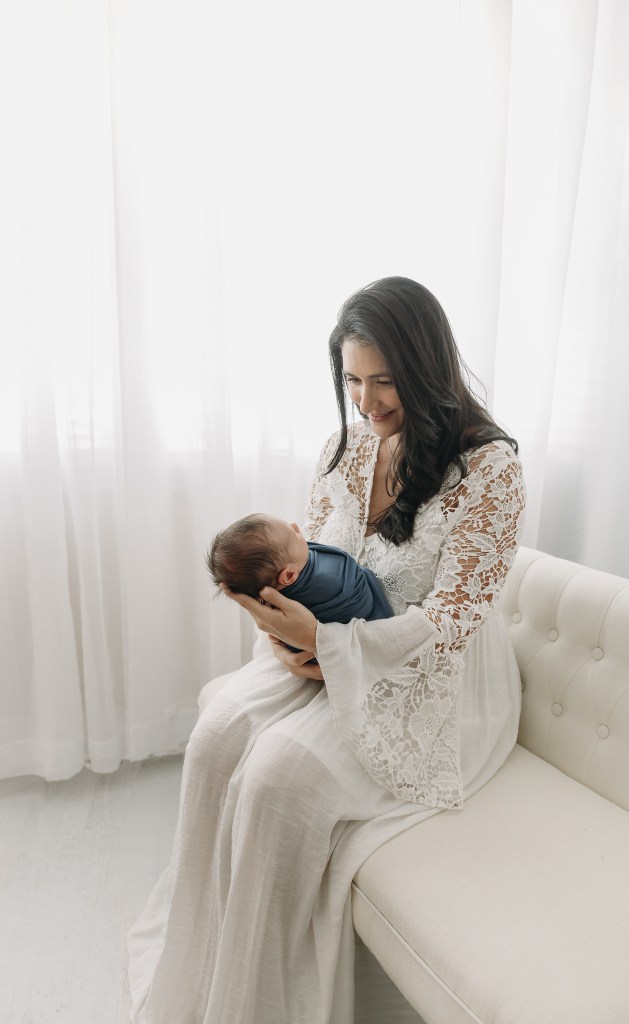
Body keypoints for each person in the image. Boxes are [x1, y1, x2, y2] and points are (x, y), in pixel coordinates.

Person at [128, 276, 526, 1024]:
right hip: (339, 645)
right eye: (351, 380)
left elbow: (449, 624)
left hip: (434, 670)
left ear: (426, 368)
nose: (367, 402)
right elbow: (305, 567)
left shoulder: (491, 471)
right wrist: (286, 643)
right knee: (216, 734)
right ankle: (206, 967)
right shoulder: (343, 449)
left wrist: (326, 645)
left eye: (384, 381)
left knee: (281, 781)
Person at [205, 513, 394, 661]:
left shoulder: (292, 568)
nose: (296, 526)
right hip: (339, 645)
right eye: (293, 534)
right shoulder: (324, 583)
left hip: (353, 640)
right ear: (288, 575)